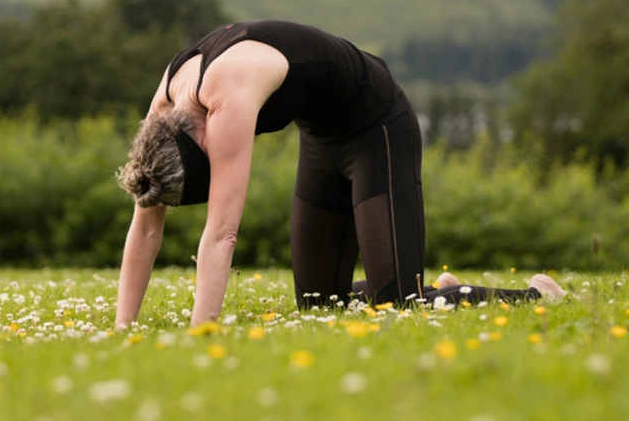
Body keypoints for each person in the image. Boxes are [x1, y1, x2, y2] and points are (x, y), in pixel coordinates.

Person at [114, 20, 567, 329]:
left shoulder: (225, 99)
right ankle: (438, 289)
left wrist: (203, 335)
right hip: (321, 140)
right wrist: (122, 328)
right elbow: (145, 227)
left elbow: (222, 233)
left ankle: (535, 295)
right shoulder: (165, 106)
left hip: (379, 126)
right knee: (317, 306)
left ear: (200, 141)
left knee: (398, 304)